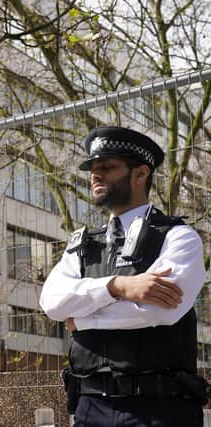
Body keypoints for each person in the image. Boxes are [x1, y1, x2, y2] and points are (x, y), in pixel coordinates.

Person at [40, 126, 208, 427]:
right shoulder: (83, 244)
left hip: (160, 408)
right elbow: (52, 302)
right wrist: (118, 286)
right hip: (91, 407)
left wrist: (81, 319)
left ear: (140, 173)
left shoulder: (179, 237)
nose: (95, 175)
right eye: (92, 169)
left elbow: (159, 310)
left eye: (107, 167)